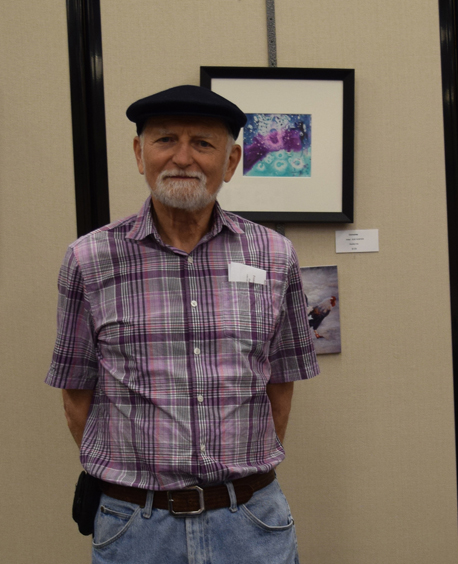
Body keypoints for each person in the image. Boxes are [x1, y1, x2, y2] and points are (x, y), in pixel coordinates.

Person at [46, 85, 319, 564]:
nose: (182, 157)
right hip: (135, 528)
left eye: (203, 143)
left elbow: (281, 383)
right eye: (166, 139)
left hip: (252, 522)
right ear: (139, 153)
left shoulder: (275, 255)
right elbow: (76, 392)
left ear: (231, 162)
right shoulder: (89, 259)